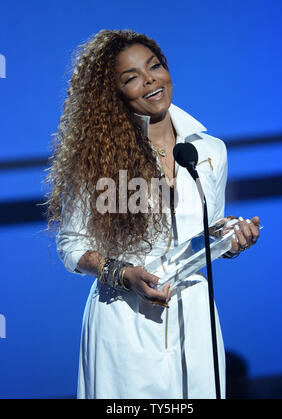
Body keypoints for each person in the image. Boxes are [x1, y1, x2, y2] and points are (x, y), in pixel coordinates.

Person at [44, 29, 260, 399]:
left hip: (194, 315)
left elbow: (206, 234)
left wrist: (232, 238)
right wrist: (125, 275)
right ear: (113, 93)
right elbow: (71, 246)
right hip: (124, 316)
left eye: (154, 67)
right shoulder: (95, 158)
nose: (150, 81)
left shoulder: (211, 150)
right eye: (131, 78)